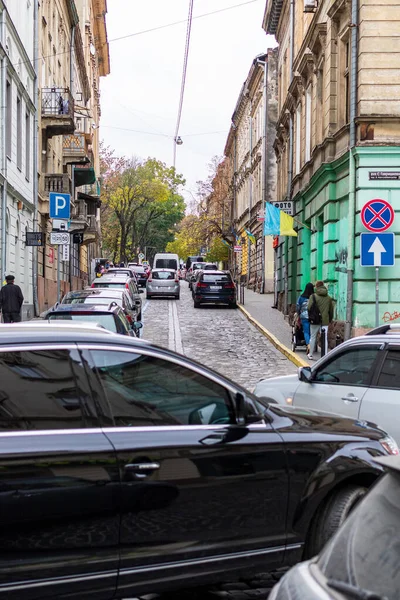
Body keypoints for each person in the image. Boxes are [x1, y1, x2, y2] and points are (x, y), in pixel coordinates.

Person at [307, 280, 334, 360]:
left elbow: (309, 308)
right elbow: (331, 310)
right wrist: (329, 319)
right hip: (325, 321)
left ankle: (310, 354)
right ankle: (324, 355)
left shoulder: (313, 296)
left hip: (315, 320)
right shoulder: (328, 298)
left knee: (313, 337)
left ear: (317, 287)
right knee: (324, 337)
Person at [296, 282, 314, 354]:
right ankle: (312, 345)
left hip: (304, 317)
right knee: (312, 332)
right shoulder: (314, 297)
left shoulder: (301, 297)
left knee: (306, 332)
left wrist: (298, 313)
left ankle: (308, 345)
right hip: (312, 317)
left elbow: (298, 306)